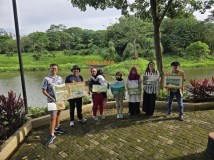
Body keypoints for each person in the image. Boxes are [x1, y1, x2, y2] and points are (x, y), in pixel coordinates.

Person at [42, 64, 64, 145]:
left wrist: (64, 96)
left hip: (60, 100)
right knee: (52, 117)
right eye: (52, 68)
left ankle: (57, 128)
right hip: (51, 101)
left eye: (55, 68)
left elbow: (62, 88)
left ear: (57, 69)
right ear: (49, 69)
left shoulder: (60, 78)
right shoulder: (46, 79)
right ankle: (52, 135)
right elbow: (44, 91)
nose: (53, 70)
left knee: (58, 113)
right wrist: (52, 98)